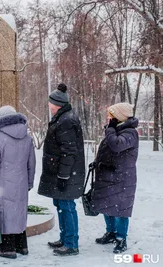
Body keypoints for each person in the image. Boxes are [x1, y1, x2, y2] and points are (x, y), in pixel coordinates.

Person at [0, 105, 36, 259]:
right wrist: (29, 183)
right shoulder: (27, 137)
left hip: (1, 185)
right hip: (21, 184)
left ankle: (7, 249)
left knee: (3, 214)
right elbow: (31, 164)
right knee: (18, 213)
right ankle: (22, 246)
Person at [37, 83, 85, 256]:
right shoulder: (63, 118)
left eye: (50, 103)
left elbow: (69, 152)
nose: (48, 105)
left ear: (56, 104)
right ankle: (65, 238)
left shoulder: (65, 121)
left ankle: (71, 243)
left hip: (66, 174)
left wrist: (64, 176)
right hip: (62, 172)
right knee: (61, 205)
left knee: (67, 206)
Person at [90, 102, 139, 254]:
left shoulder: (130, 133)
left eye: (111, 115)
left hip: (122, 177)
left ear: (119, 116)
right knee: (108, 205)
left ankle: (121, 238)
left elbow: (117, 145)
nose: (108, 117)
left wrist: (110, 130)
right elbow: (109, 150)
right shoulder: (117, 130)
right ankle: (110, 232)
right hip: (108, 175)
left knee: (120, 209)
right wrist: (97, 163)